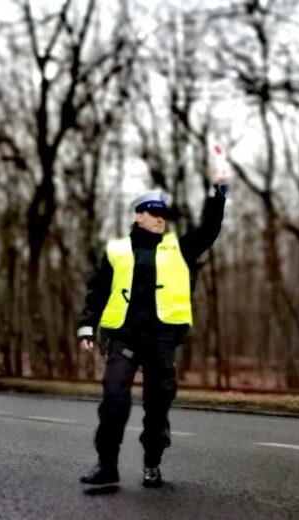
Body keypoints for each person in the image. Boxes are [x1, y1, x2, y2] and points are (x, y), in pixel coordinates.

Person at [76, 155, 228, 489]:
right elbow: (97, 290)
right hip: (124, 337)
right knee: (114, 398)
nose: (160, 220)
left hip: (162, 339)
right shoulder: (116, 250)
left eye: (164, 215)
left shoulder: (179, 248)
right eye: (154, 213)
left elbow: (210, 229)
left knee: (157, 406)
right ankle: (106, 466)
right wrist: (87, 325)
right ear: (139, 215)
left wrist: (218, 191)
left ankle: (152, 464)